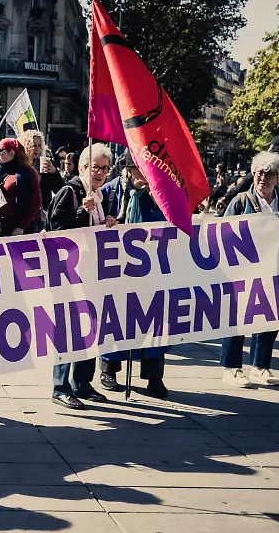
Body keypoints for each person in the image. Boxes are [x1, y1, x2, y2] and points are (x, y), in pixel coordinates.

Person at [218, 152, 279, 388]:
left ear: (278, 178)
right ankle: (232, 367)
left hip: (275, 269)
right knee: (236, 319)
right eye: (258, 173)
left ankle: (260, 366)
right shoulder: (241, 201)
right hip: (243, 271)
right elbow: (221, 234)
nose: (262, 179)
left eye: (269, 175)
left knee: (270, 318)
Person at [45, 143, 116, 410]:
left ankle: (82, 383)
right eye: (94, 167)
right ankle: (60, 386)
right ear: (82, 167)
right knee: (69, 330)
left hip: (93, 273)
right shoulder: (70, 191)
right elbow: (56, 231)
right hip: (68, 275)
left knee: (91, 329)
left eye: (104, 169)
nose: (99, 173)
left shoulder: (100, 195)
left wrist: (109, 221)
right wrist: (80, 212)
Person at [98, 151, 169, 399]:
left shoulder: (159, 192)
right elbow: (94, 222)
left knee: (154, 323)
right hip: (115, 270)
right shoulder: (110, 191)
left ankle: (154, 377)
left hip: (151, 270)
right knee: (113, 321)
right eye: (139, 170)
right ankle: (109, 370)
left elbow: (170, 224)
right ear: (128, 170)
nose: (144, 175)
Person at [0, 138, 41, 237]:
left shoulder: (28, 173)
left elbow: (35, 203)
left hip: (16, 228)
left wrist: (21, 227)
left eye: (0, 151)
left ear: (11, 152)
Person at [23, 130, 62, 213]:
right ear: (26, 146)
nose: (36, 149)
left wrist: (54, 173)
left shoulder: (46, 163)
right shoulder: (20, 164)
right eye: (33, 145)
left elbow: (60, 191)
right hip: (25, 211)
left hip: (43, 212)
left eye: (39, 145)